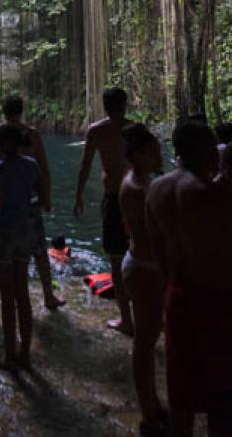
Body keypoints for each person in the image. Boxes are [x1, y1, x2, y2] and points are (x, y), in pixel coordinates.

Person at [146, 121, 232, 437]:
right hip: (218, 301)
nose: (216, 155)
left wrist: (172, 284)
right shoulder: (213, 194)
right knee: (222, 399)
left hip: (178, 294)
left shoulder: (156, 190)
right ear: (200, 150)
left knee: (181, 389)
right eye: (211, 148)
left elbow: (156, 248)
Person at [0, 95, 64, 310]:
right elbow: (44, 170)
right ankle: (48, 296)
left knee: (4, 252)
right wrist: (47, 198)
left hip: (4, 205)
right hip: (29, 201)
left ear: (4, 111)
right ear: (22, 111)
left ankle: (7, 300)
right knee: (39, 250)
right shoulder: (31, 134)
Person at [119, 124, 168, 437]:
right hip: (143, 268)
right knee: (144, 341)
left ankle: (153, 402)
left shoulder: (141, 181)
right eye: (152, 152)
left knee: (148, 340)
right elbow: (159, 235)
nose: (158, 155)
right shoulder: (140, 189)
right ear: (137, 156)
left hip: (144, 265)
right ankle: (148, 411)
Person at [73, 86, 133, 335]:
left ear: (105, 106)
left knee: (116, 259)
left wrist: (79, 196)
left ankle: (126, 321)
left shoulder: (97, 130)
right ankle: (148, 313)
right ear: (125, 105)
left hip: (114, 198)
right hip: (137, 196)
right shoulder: (135, 130)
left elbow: (86, 165)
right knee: (141, 253)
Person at [0, 124, 47, 372]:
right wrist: (24, 203)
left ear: (5, 144)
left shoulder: (0, 169)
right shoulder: (32, 165)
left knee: (6, 296)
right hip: (25, 230)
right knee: (22, 294)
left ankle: (9, 355)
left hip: (4, 231)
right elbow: (42, 199)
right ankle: (25, 355)